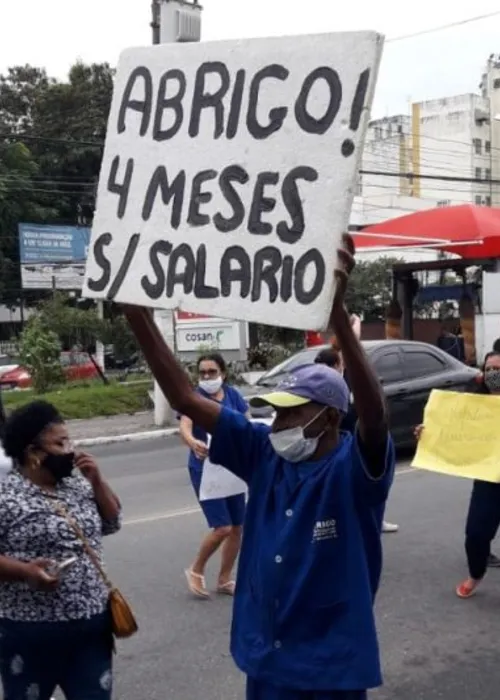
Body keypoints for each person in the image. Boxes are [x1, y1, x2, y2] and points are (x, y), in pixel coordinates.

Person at [124, 233, 395, 700]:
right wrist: (138, 318)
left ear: (329, 416)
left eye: (291, 411)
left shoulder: (354, 469)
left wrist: (336, 313)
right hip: (267, 657)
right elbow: (185, 398)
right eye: (276, 410)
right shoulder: (262, 450)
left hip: (331, 663)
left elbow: (373, 414)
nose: (279, 421)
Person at [0, 400, 121, 700]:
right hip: (30, 635)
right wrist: (25, 572)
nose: (70, 449)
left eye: (69, 440)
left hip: (91, 629)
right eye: (60, 442)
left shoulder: (76, 485)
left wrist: (96, 480)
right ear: (33, 454)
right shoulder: (6, 496)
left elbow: (113, 521)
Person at [415, 350, 500, 599]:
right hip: (489, 480)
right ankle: (476, 574)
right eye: (490, 369)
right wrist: (427, 433)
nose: (494, 374)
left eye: (499, 368)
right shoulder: (472, 403)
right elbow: (450, 429)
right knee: (475, 533)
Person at [180, 352, 248, 598]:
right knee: (223, 527)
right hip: (205, 468)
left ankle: (224, 579)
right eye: (203, 373)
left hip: (232, 467)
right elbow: (185, 427)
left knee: (238, 526)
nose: (207, 377)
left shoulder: (232, 396)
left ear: (223, 373)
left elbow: (244, 422)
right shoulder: (194, 398)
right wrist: (192, 442)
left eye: (212, 372)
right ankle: (195, 569)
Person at [315, 347, 399, 535]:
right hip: (337, 445)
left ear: (338, 365)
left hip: (360, 443)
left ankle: (376, 519)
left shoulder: (353, 381)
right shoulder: (319, 385)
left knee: (375, 482)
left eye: (329, 367)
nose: (325, 373)